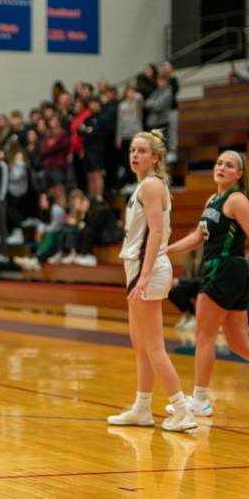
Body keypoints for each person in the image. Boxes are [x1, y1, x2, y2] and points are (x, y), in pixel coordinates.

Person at [107, 131, 197, 432]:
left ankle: (183, 410)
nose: (135, 155)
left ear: (155, 157)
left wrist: (143, 277)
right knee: (140, 344)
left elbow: (156, 232)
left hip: (149, 269)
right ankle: (142, 407)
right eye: (132, 149)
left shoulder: (152, 185)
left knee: (154, 346)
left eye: (142, 150)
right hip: (138, 268)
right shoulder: (142, 186)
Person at [165, 151, 249, 417]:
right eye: (219, 163)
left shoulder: (237, 199)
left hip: (225, 268)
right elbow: (198, 236)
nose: (222, 167)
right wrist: (166, 250)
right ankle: (200, 398)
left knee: (204, 336)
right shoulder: (213, 199)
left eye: (230, 165)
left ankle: (200, 399)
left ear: (239, 174)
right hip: (227, 271)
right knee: (237, 343)